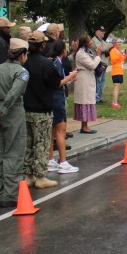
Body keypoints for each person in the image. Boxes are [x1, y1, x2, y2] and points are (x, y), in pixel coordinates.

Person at [0, 38, 30, 208]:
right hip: (12, 112)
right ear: (22, 54)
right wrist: (3, 110)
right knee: (14, 152)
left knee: (0, 153)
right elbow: (14, 93)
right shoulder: (21, 72)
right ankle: (11, 194)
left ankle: (0, 193)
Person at [22, 32, 62, 189]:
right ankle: (40, 176)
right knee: (41, 143)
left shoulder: (24, 63)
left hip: (27, 108)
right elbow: (55, 83)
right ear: (42, 45)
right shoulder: (46, 64)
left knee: (28, 143)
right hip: (42, 109)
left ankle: (28, 175)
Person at [47, 39, 79, 175]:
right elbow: (57, 83)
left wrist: (68, 79)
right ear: (63, 50)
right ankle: (63, 162)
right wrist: (70, 76)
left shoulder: (52, 62)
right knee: (61, 131)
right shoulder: (57, 63)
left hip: (51, 99)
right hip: (57, 99)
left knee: (52, 131)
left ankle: (50, 160)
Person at [73, 35, 101, 133]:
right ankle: (84, 126)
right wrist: (98, 56)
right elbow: (92, 65)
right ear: (85, 43)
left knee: (88, 100)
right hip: (84, 79)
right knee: (85, 101)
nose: (91, 43)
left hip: (88, 77)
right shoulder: (81, 53)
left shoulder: (86, 52)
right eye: (89, 41)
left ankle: (85, 125)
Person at [90, 26, 109, 104]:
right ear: (97, 32)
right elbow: (102, 49)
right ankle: (96, 98)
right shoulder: (94, 40)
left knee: (102, 82)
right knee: (98, 82)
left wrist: (107, 46)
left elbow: (105, 47)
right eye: (101, 31)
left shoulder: (101, 40)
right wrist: (110, 45)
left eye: (103, 31)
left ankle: (99, 98)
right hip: (98, 64)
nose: (103, 32)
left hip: (103, 64)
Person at [108, 38, 127, 107]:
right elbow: (114, 61)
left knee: (117, 86)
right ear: (114, 44)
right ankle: (114, 103)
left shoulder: (118, 51)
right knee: (116, 86)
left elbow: (122, 59)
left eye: (120, 42)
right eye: (118, 42)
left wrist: (124, 53)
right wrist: (121, 53)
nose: (119, 43)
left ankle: (114, 102)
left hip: (120, 70)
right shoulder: (113, 51)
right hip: (116, 71)